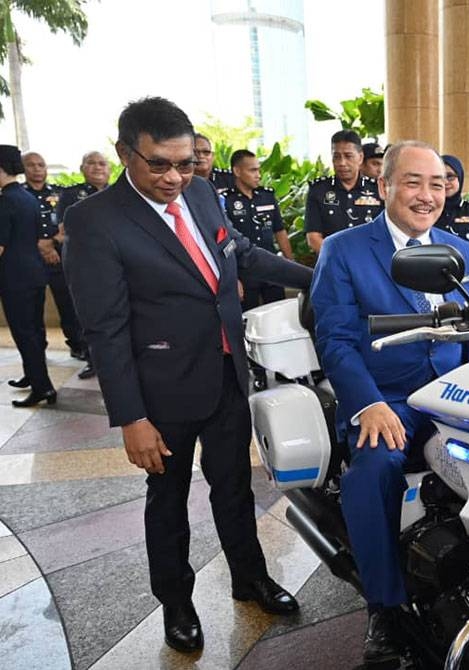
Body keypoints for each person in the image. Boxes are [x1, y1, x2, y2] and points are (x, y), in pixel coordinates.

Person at [62, 97, 313, 654]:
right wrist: (131, 417)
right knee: (168, 499)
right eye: (159, 164)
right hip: (160, 392)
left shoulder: (199, 193)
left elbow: (240, 253)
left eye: (185, 163)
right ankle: (176, 601)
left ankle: (250, 578)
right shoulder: (94, 221)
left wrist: (318, 277)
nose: (175, 177)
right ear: (125, 152)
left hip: (225, 372)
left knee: (235, 487)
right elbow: (105, 329)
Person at [311, 141, 469, 663]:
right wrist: (367, 404)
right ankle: (385, 610)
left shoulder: (462, 251)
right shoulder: (344, 250)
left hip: (456, 399)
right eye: (413, 182)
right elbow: (337, 340)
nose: (427, 195)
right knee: (373, 468)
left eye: (437, 184)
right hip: (389, 400)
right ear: (384, 186)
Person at [21, 152, 88, 371]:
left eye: (41, 165)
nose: (37, 169)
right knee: (32, 308)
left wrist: (52, 242)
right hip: (31, 259)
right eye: (31, 165)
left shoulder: (61, 193)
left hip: (59, 257)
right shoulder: (17, 195)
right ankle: (36, 350)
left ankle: (77, 344)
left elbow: (68, 222)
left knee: (68, 303)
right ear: (23, 169)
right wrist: (41, 245)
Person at [0, 146, 56, 407]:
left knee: (25, 334)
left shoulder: (5, 201)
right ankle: (33, 377)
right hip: (33, 273)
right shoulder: (26, 197)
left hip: (14, 278)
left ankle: (42, 387)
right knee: (34, 331)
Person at [54, 151, 110, 380]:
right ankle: (92, 359)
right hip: (86, 264)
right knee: (86, 315)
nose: (97, 167)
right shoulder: (70, 195)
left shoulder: (120, 194)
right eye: (92, 163)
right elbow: (64, 229)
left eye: (102, 163)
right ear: (82, 168)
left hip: (116, 263)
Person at [222, 149, 294, 311]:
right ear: (237, 171)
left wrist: (290, 264)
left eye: (259, 170)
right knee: (248, 318)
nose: (258, 175)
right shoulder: (226, 200)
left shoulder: (267, 196)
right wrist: (233, 278)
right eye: (252, 170)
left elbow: (280, 231)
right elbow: (224, 242)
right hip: (245, 272)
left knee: (278, 314)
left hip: (271, 268)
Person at [304, 130, 383, 254]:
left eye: (348, 156)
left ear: (360, 157)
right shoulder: (318, 190)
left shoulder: (377, 190)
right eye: (336, 157)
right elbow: (313, 238)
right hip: (331, 263)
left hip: (368, 263)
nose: (342, 163)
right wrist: (338, 261)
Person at [434, 154, 469, 272]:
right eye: (440, 177)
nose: (445, 182)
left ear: (460, 178)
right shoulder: (427, 210)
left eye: (450, 177)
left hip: (468, 280)